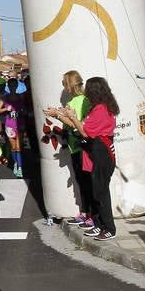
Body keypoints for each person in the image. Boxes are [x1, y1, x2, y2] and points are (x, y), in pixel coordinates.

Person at [48, 77, 118, 241]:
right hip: (97, 149)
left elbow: (85, 131)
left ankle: (109, 228)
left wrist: (72, 117)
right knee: (96, 190)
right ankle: (99, 224)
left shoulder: (100, 109)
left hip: (102, 150)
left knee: (101, 192)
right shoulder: (98, 107)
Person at [48, 71, 92, 223]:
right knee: (83, 182)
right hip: (77, 147)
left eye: (64, 84)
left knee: (85, 182)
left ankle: (89, 215)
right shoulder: (84, 99)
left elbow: (77, 125)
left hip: (80, 147)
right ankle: (85, 212)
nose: (64, 87)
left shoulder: (77, 102)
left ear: (69, 85)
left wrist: (58, 115)